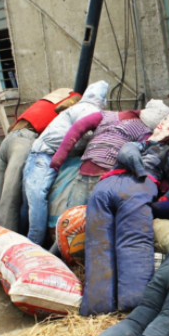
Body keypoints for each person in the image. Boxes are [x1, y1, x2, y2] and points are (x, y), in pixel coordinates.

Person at [80, 113, 169, 316]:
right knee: (98, 242)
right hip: (106, 186)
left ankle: (134, 304)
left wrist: (167, 199)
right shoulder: (134, 144)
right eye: (164, 120)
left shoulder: (168, 153)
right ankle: (97, 306)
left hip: (138, 188)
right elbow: (126, 153)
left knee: (133, 243)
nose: (162, 124)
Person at [22, 81, 108, 245]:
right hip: (45, 155)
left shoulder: (82, 109)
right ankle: (34, 244)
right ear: (103, 100)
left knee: (30, 199)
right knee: (37, 196)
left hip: (44, 154)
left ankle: (34, 241)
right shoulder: (88, 110)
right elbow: (82, 133)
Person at [49, 99, 169, 208]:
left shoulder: (105, 115)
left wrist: (59, 156)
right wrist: (164, 187)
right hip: (110, 178)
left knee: (74, 218)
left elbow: (79, 126)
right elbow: (154, 158)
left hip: (85, 172)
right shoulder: (144, 131)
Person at [0, 88, 79, 233]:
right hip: (25, 140)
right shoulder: (77, 100)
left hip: (9, 137)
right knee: (10, 200)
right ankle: (6, 246)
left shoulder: (59, 93)